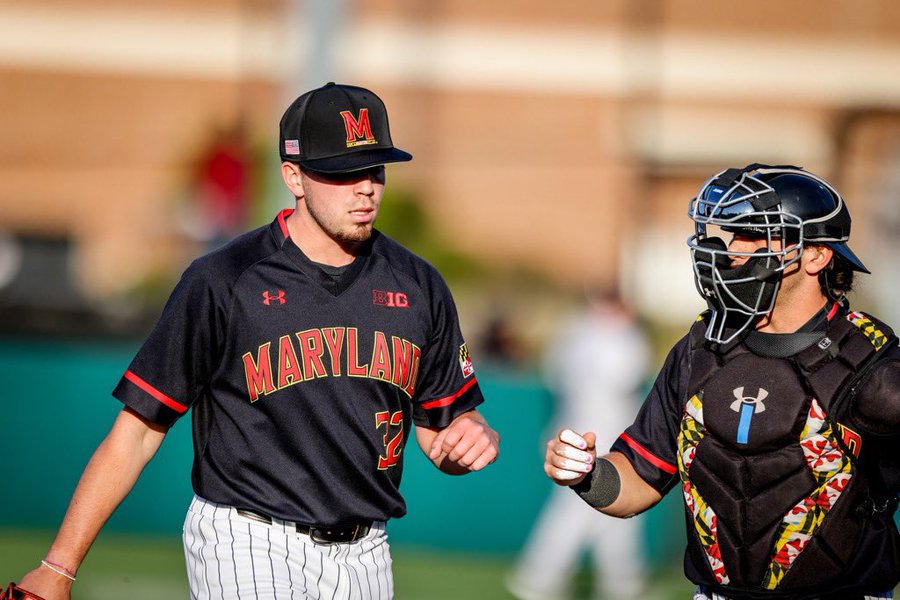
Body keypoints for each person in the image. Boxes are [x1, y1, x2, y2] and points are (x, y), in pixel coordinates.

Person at [12, 82, 500, 600]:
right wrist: (58, 568)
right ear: (293, 176)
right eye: (343, 171)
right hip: (247, 537)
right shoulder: (225, 279)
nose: (366, 188)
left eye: (375, 168)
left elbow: (441, 430)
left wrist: (470, 436)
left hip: (367, 552)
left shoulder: (419, 285)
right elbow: (137, 432)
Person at [545, 163, 900, 600]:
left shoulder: (872, 362)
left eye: (755, 234)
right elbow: (639, 478)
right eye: (732, 234)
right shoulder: (701, 348)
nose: (733, 249)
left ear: (816, 255)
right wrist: (586, 473)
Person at [508, 286, 650, 599]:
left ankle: (622, 584)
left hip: (569, 428)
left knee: (614, 514)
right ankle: (538, 578)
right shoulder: (621, 338)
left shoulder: (575, 331)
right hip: (601, 436)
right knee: (579, 512)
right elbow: (629, 377)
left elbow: (555, 375)